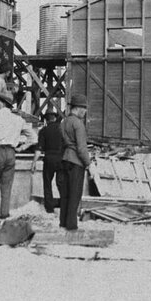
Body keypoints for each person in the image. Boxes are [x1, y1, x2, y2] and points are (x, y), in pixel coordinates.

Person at [0, 91, 37, 220]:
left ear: (1, 103)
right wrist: (21, 148)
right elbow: (34, 137)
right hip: (11, 153)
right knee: (6, 188)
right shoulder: (18, 119)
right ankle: (4, 216)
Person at [59, 94, 92, 230]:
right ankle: (71, 226)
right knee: (74, 195)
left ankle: (63, 223)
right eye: (83, 108)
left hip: (65, 159)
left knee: (65, 194)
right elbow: (82, 148)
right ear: (77, 108)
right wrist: (89, 164)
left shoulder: (63, 123)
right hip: (76, 162)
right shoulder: (78, 124)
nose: (85, 112)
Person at [37, 109, 64, 213]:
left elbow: (39, 149)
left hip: (49, 159)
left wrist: (34, 162)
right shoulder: (61, 129)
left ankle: (49, 209)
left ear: (46, 120)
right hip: (61, 158)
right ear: (55, 118)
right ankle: (64, 205)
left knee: (47, 183)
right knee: (61, 183)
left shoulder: (43, 131)